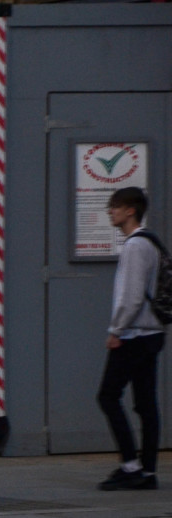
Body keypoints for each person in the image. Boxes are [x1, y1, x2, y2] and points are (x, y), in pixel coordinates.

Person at [97, 187, 163, 491]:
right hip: (152, 333)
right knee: (145, 403)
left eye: (115, 207)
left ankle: (131, 465)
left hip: (134, 335)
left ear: (130, 211)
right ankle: (147, 471)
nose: (111, 211)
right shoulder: (152, 243)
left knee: (108, 396)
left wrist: (116, 330)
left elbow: (132, 297)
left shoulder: (135, 246)